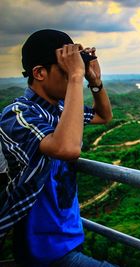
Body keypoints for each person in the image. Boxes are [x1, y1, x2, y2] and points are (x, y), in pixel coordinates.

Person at [0, 29, 116, 266]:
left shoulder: (61, 109)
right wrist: (76, 76)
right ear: (40, 73)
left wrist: (94, 82)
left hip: (71, 236)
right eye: (66, 69)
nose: (75, 74)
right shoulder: (18, 114)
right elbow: (67, 149)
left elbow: (104, 116)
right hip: (43, 249)